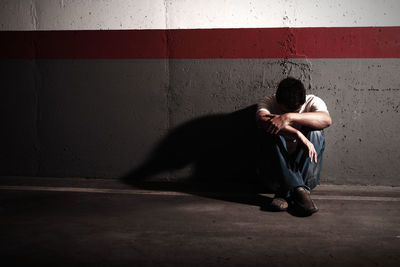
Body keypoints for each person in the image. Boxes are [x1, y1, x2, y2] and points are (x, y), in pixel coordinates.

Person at [256, 77, 332, 216]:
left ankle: (287, 192)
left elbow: (327, 120)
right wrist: (297, 134)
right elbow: (261, 119)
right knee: (271, 130)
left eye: (297, 110)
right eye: (285, 110)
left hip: (307, 177)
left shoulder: (313, 101)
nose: (296, 113)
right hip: (274, 178)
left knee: (315, 131)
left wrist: (288, 117)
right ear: (278, 101)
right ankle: (299, 192)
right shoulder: (269, 101)